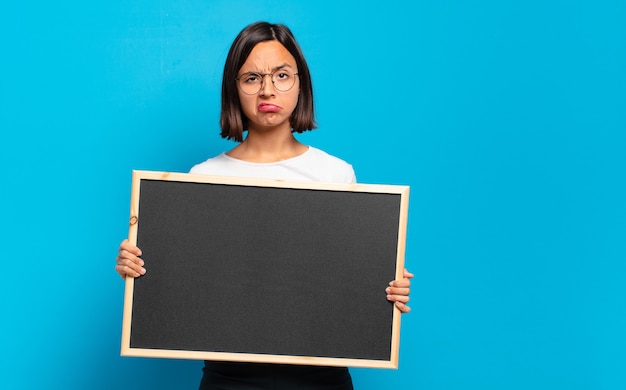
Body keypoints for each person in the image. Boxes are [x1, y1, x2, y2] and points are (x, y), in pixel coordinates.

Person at [115, 21, 413, 390]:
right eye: (252, 78)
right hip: (230, 379)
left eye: (282, 75)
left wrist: (385, 291)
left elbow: (344, 279)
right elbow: (188, 280)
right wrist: (140, 269)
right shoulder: (205, 175)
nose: (268, 89)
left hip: (321, 376)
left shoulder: (335, 173)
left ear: (301, 84)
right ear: (234, 90)